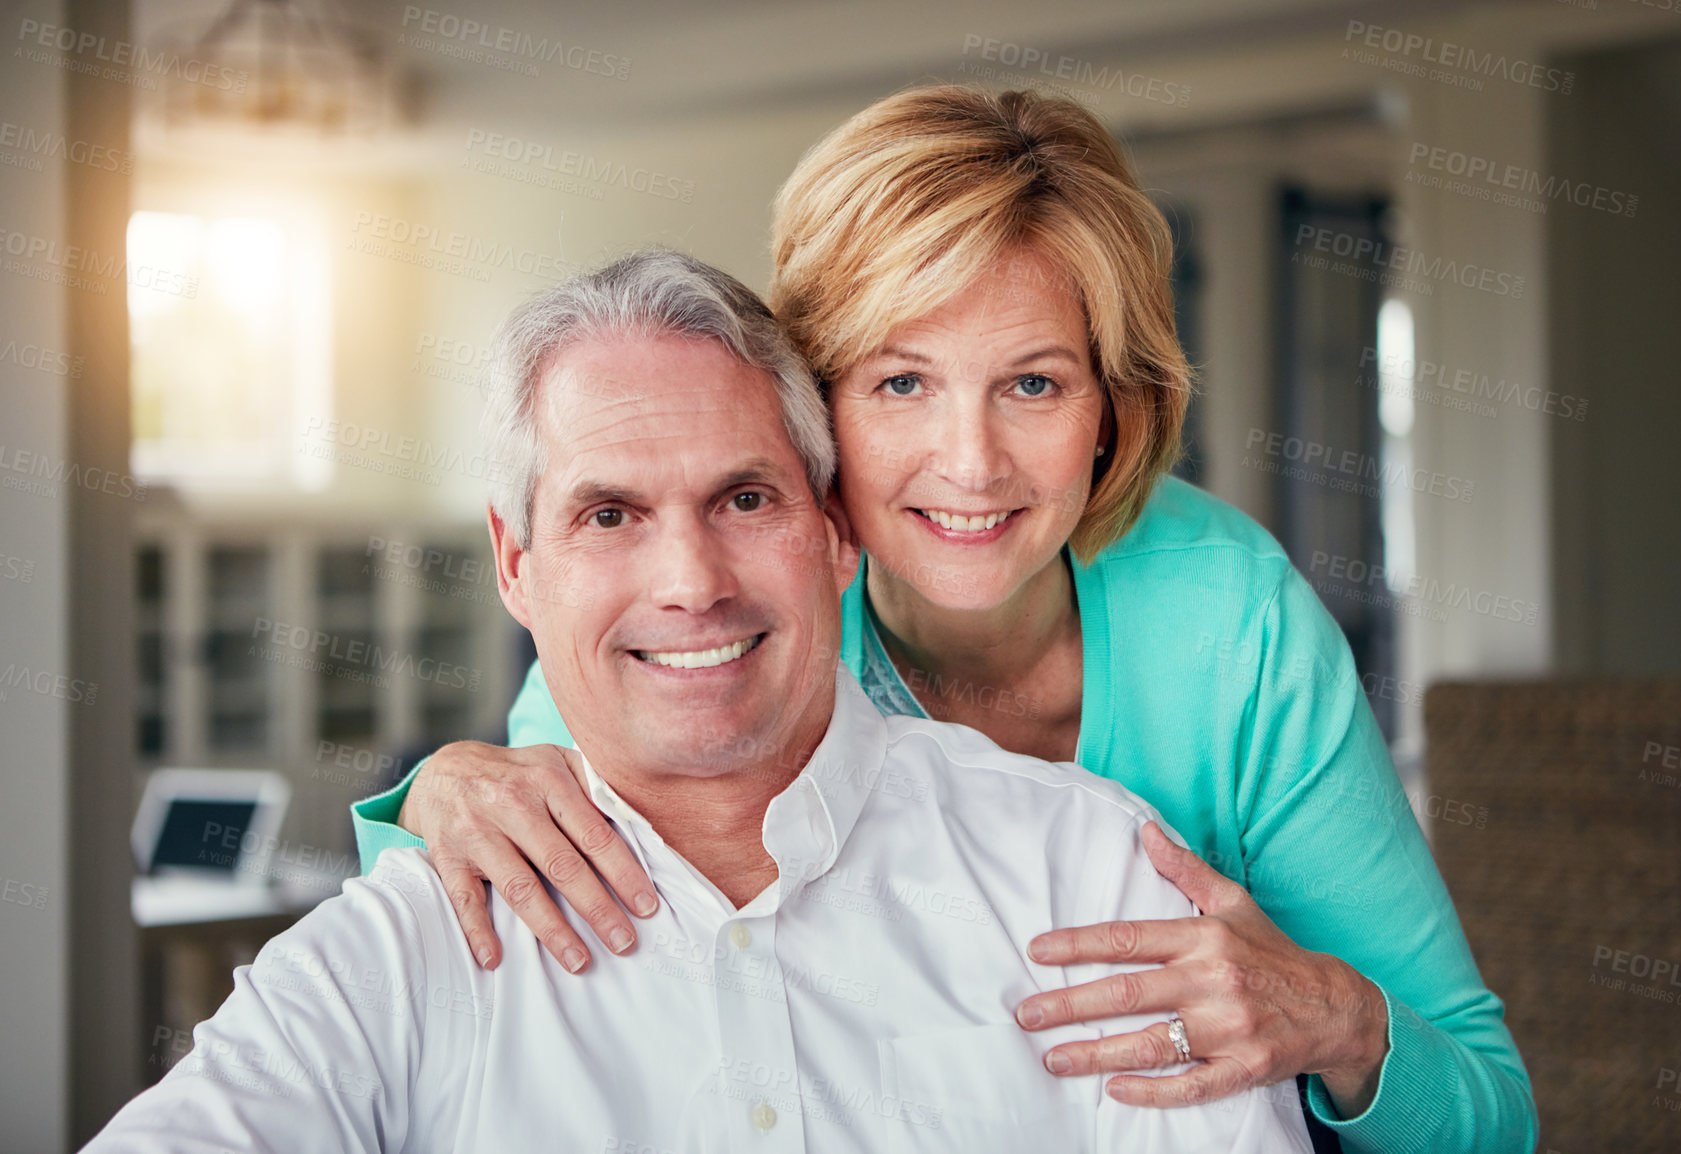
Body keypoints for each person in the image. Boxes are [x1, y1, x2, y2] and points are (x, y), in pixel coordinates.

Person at [354, 88, 1536, 1152]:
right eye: (900, 380)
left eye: (1033, 382)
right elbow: (458, 916)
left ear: (1112, 408)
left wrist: (1339, 1021)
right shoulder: (723, 618)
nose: (970, 465)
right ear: (812, 405)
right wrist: (441, 794)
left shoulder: (1230, 618)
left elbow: (1491, 1113)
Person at [86, 252, 1311, 1153]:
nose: (690, 584)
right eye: (608, 513)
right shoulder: (402, 950)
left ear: (835, 533)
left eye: (743, 499)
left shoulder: (1093, 877)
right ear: (516, 564)